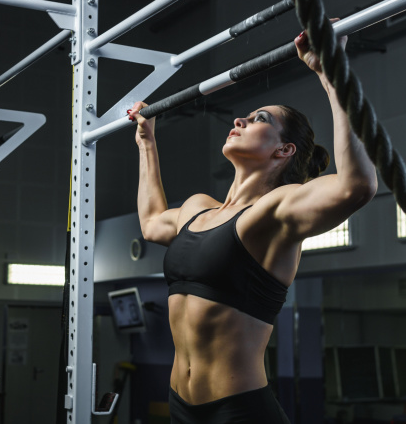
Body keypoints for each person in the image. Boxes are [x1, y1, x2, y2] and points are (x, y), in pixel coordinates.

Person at [129, 28, 377, 424]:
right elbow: (152, 222)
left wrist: (331, 73)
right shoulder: (198, 207)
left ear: (284, 150)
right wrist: (146, 141)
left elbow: (357, 186)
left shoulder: (275, 210)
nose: (241, 118)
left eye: (260, 119)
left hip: (239, 412)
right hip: (180, 407)